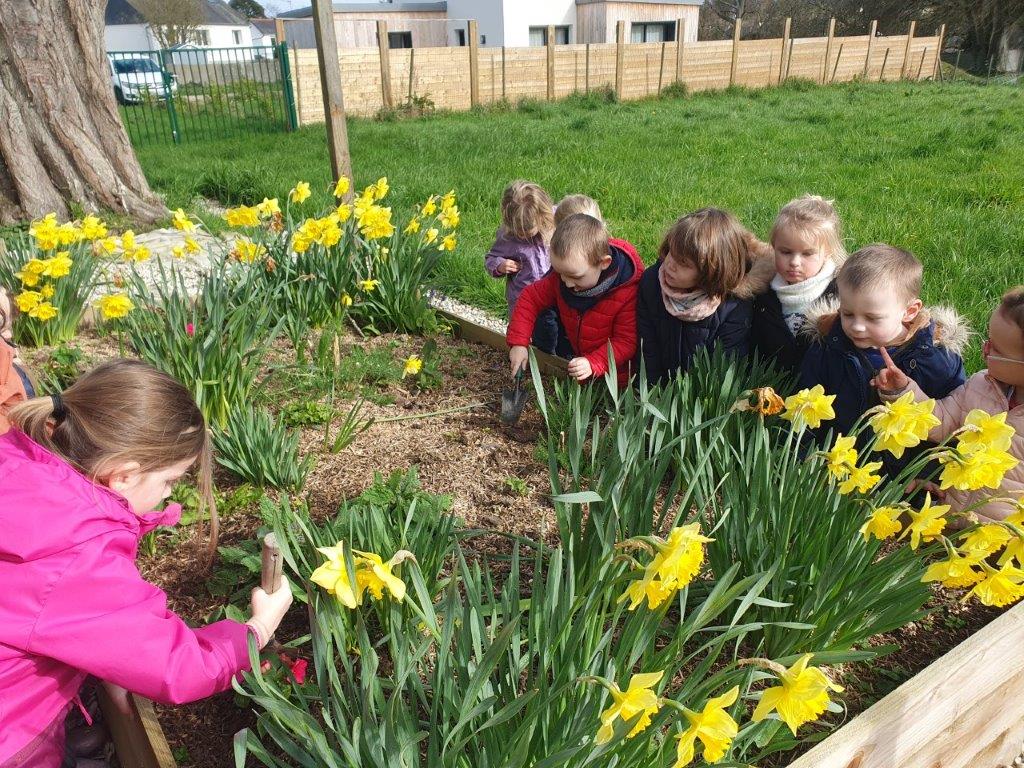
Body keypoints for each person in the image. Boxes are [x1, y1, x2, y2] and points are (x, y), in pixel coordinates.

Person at [0, 359, 293, 766]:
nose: (169, 494)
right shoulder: (75, 551)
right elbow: (179, 666)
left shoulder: (19, 462)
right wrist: (259, 629)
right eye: (170, 481)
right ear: (122, 475)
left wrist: (104, 665)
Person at [872, 286, 1024, 522]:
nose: (984, 348)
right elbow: (940, 419)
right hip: (952, 517)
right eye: (988, 339)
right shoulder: (980, 386)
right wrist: (904, 392)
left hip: (1002, 540)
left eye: (996, 348)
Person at [800, 243, 967, 437]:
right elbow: (807, 404)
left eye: (872, 318)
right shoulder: (828, 347)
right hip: (841, 454)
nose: (857, 326)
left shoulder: (936, 359)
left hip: (905, 461)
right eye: (847, 313)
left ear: (910, 311)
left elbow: (953, 415)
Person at [636, 208, 772, 385]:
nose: (670, 265)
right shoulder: (652, 282)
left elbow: (729, 363)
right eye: (671, 252)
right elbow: (647, 347)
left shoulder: (733, 304)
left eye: (683, 263)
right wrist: (650, 390)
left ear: (712, 272)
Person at [506, 213, 642, 387]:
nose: (567, 282)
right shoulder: (565, 276)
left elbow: (626, 341)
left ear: (604, 263)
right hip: (581, 369)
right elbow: (530, 298)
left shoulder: (626, 291)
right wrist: (519, 343)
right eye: (560, 273)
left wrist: (594, 362)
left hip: (618, 381)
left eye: (574, 276)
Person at [751, 195, 846, 376]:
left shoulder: (840, 295)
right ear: (773, 247)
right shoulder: (762, 293)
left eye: (807, 254)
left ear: (828, 253)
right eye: (785, 252)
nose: (795, 262)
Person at [484, 181, 560, 354]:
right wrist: (500, 265)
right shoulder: (508, 237)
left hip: (552, 291)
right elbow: (491, 258)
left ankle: (549, 357)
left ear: (542, 214)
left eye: (528, 229)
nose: (523, 234)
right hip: (522, 295)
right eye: (519, 231)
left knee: (551, 330)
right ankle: (521, 354)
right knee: (521, 329)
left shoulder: (555, 221)